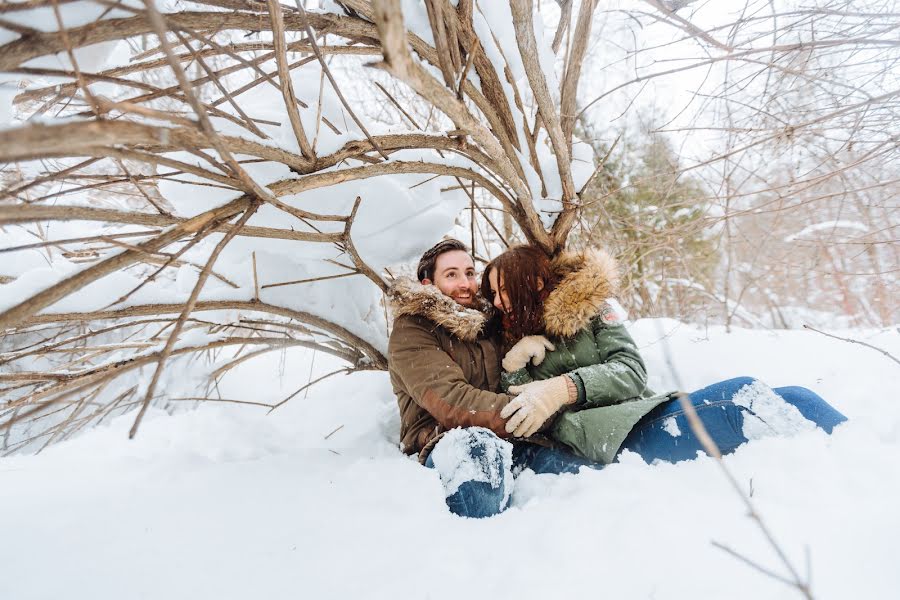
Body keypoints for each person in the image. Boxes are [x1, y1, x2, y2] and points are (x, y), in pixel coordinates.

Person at [482, 244, 848, 466]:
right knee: (744, 395)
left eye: (504, 289)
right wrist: (513, 364)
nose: (497, 301)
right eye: (493, 293)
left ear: (535, 282)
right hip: (607, 437)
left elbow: (631, 371)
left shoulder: (591, 311)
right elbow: (520, 411)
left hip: (643, 413)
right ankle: (853, 460)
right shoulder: (511, 342)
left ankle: (860, 449)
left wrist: (565, 388)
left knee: (796, 397)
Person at [387, 239, 600, 519]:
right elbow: (454, 403)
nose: (465, 283)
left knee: (581, 479)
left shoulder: (487, 323)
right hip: (447, 441)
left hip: (511, 439)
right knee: (478, 466)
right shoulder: (412, 329)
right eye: (451, 275)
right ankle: (482, 550)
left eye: (469, 273)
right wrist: (534, 410)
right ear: (428, 285)